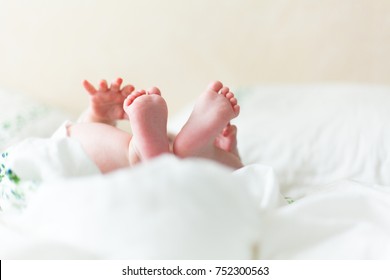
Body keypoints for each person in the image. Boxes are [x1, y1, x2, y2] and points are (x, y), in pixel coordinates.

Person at [68, 78, 243, 173]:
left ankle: (137, 152)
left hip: (123, 185)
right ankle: (209, 154)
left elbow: (79, 154)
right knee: (238, 173)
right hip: (197, 188)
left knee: (74, 138)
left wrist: (97, 118)